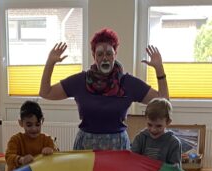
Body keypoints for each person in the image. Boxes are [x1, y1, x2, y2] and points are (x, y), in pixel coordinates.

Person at [39, 28, 169, 150]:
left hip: (117, 146)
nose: (105, 58)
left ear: (115, 54)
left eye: (109, 53)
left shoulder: (127, 83)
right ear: (94, 55)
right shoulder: (80, 81)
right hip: (86, 146)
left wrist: (159, 69)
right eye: (100, 54)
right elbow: (46, 92)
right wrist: (50, 63)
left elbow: (164, 101)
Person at [5, 100, 57, 171]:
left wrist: (51, 151)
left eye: (37, 124)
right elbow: (8, 157)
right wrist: (21, 160)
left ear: (42, 121)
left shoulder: (47, 140)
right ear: (21, 123)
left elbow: (56, 157)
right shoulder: (16, 140)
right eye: (29, 125)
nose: (34, 129)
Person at [131, 97, 182, 167]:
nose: (153, 130)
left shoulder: (174, 143)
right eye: (149, 125)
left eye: (159, 126)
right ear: (146, 119)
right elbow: (132, 162)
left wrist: (175, 167)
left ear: (168, 122)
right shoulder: (140, 138)